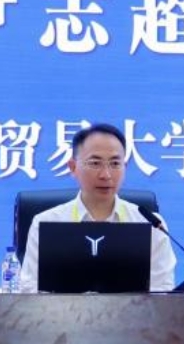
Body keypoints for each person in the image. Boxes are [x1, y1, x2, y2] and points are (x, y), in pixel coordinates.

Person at [19, 122, 176, 293]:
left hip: (135, 311)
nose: (106, 175)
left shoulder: (152, 225)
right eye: (95, 163)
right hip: (62, 311)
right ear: (73, 167)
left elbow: (162, 290)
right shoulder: (46, 222)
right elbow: (29, 289)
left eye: (115, 164)